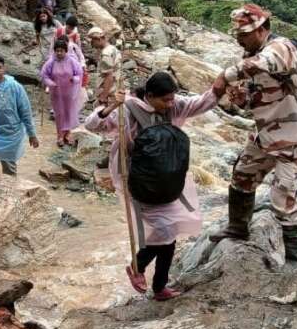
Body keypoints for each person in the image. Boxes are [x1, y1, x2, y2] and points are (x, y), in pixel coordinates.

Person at [85, 72, 218, 301]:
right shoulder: (128, 109)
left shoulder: (173, 107)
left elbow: (201, 103)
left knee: (170, 232)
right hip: (137, 180)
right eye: (165, 100)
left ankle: (154, 281)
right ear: (149, 96)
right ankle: (145, 273)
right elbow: (92, 125)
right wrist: (110, 107)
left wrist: (222, 86)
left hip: (166, 178)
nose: (170, 104)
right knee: (165, 234)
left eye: (172, 98)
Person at [209, 4, 297, 270]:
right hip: (266, 133)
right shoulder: (252, 52)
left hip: (293, 137)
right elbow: (256, 97)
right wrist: (242, 98)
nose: (239, 38)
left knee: (283, 199)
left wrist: (225, 76)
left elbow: (265, 64)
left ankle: (294, 261)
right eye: (237, 34)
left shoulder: (280, 47)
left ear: (261, 29)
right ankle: (238, 228)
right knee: (242, 176)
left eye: (244, 33)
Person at [0, 55, 39, 176]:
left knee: (9, 167)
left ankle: (12, 190)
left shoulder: (15, 87)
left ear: (4, 68)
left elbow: (25, 111)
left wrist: (32, 134)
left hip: (10, 133)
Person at [41, 36, 83, 147]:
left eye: (61, 51)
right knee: (59, 114)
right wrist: (50, 83)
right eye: (57, 51)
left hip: (69, 92)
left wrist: (74, 79)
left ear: (66, 51)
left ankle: (68, 134)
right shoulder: (50, 63)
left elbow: (79, 74)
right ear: (54, 51)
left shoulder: (72, 61)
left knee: (69, 113)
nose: (59, 53)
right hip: (56, 93)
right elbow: (44, 75)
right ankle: (60, 135)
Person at [88, 26, 121, 106]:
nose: (92, 44)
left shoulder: (105, 54)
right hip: (115, 89)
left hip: (108, 93)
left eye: (93, 41)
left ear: (98, 39)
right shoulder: (113, 49)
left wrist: (103, 96)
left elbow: (108, 76)